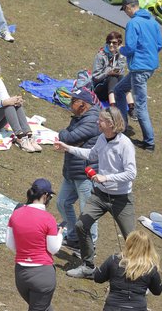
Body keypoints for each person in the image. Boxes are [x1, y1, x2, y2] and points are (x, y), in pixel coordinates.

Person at [54, 107, 137, 279]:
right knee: (81, 226)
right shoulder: (102, 138)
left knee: (132, 238)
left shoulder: (125, 144)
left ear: (111, 124)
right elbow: (91, 154)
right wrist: (67, 148)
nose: (97, 122)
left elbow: (131, 173)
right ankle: (88, 266)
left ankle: (139, 276)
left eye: (101, 120)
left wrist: (106, 178)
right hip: (99, 195)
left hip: (121, 198)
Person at [113, 0, 162, 152]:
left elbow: (131, 48)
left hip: (139, 69)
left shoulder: (133, 23)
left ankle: (149, 142)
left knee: (140, 106)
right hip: (149, 67)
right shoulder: (152, 21)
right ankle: (123, 126)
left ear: (129, 7)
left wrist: (121, 50)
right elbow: (159, 45)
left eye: (125, 10)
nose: (126, 13)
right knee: (119, 90)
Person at [6, 178, 63, 311]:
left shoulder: (15, 214)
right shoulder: (49, 219)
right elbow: (53, 248)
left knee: (43, 307)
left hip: (21, 275)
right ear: (45, 196)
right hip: (42, 276)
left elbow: (10, 244)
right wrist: (59, 234)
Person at [55, 87, 100, 251]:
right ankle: (74, 236)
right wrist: (67, 138)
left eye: (74, 101)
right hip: (72, 171)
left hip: (84, 173)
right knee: (62, 203)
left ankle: (90, 245)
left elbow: (69, 137)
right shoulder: (80, 118)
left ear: (84, 104)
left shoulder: (92, 120)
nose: (70, 103)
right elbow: (69, 139)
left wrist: (64, 135)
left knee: (87, 212)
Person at [93, 230, 162, 311]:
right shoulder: (150, 268)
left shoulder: (113, 259)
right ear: (148, 247)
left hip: (113, 307)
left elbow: (97, 278)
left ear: (128, 243)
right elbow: (157, 291)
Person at [92, 31, 135, 116]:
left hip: (114, 90)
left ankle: (132, 108)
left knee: (122, 78)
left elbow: (121, 72)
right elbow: (95, 77)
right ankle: (113, 107)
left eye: (114, 43)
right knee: (112, 77)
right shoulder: (101, 55)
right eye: (109, 42)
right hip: (100, 89)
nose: (111, 45)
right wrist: (107, 73)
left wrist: (121, 56)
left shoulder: (120, 55)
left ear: (119, 44)